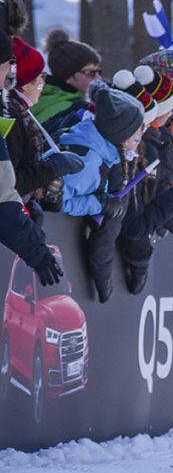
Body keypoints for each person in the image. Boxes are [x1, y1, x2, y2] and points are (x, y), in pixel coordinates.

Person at [58, 82, 147, 302]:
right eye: (136, 139)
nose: (138, 146)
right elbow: (59, 201)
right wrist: (101, 204)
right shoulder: (90, 162)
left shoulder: (103, 152)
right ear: (121, 137)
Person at [0, 29, 64, 288]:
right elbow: (3, 197)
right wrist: (37, 250)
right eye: (7, 65)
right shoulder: (12, 116)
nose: (8, 74)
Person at [31, 29, 103, 136]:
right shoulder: (62, 110)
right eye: (90, 72)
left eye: (98, 71)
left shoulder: (52, 98)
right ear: (67, 76)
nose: (97, 78)